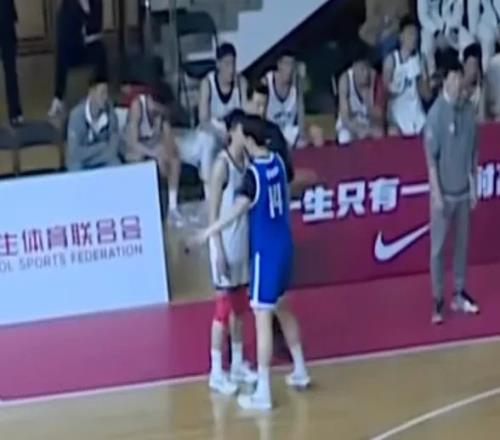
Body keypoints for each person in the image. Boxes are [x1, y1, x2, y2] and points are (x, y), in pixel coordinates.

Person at [192, 115, 310, 410]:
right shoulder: (278, 161)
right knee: (282, 308)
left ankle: (264, 392)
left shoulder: (253, 175)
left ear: (248, 138)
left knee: (262, 318)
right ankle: (300, 369)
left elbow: (236, 210)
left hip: (265, 253)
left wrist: (207, 232)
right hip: (285, 246)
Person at [423, 55, 480, 325]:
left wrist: (474, 185)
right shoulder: (435, 115)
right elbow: (431, 160)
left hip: (463, 192)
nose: (458, 83)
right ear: (445, 81)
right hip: (444, 194)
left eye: (460, 78)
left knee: (461, 245)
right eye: (454, 78)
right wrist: (436, 193)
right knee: (438, 249)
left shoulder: (468, 111)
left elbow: (473, 152)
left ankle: (459, 292)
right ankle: (437, 298)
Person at [206, 110, 257, 395]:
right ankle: (216, 372)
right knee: (223, 311)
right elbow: (212, 214)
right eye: (242, 130)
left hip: (242, 246)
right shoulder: (221, 166)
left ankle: (237, 364)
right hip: (224, 247)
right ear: (232, 131)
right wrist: (218, 251)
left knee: (239, 309)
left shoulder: (246, 162)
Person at [123, 86, 182, 222]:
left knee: (174, 160)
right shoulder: (138, 106)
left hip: (153, 147)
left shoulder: (162, 114)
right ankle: (143, 209)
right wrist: (154, 154)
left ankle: (172, 208)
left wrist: (165, 154)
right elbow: (133, 142)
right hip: (134, 149)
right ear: (150, 100)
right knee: (139, 159)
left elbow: (169, 142)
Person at [49, 0, 108, 119]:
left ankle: (100, 95)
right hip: (73, 48)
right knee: (63, 50)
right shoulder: (67, 5)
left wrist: (86, 33)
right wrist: (85, 34)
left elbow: (96, 27)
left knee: (100, 50)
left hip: (89, 47)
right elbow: (69, 34)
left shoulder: (96, 3)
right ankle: (58, 98)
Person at [383, 16, 429, 136]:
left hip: (416, 112)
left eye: (415, 34)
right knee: (393, 133)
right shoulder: (391, 60)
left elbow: (426, 95)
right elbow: (385, 91)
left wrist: (422, 76)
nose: (413, 38)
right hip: (397, 111)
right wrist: (397, 83)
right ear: (401, 36)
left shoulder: (421, 59)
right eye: (410, 34)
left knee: (429, 132)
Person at [66, 73, 121, 171]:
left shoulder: (111, 113)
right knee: (75, 166)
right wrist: (101, 147)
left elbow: (113, 150)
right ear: (92, 93)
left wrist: (95, 156)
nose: (105, 97)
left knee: (115, 163)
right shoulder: (76, 115)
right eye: (102, 93)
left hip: (102, 159)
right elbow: (75, 153)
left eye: (107, 93)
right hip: (81, 162)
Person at [336, 51, 384, 145]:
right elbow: (345, 117)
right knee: (344, 138)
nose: (365, 73)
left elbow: (379, 116)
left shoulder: (375, 78)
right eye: (362, 69)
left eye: (367, 68)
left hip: (368, 123)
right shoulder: (345, 80)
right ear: (354, 67)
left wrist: (368, 103)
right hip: (349, 124)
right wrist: (359, 130)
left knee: (379, 134)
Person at [418, 0, 474, 75]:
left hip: (450, 25)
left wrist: (455, 29)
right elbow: (423, 16)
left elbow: (458, 9)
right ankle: (431, 75)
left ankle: (464, 75)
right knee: (426, 46)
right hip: (431, 26)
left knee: (469, 43)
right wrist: (436, 33)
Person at [262, 50, 304, 148]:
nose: (289, 68)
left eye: (292, 64)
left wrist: (302, 134)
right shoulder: (266, 82)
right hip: (270, 132)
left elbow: (301, 110)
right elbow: (259, 113)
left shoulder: (297, 84)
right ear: (279, 64)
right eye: (286, 64)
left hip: (289, 132)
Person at [0, 0, 23, 126]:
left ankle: (15, 113)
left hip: (6, 26)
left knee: (11, 73)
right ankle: (15, 113)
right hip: (7, 24)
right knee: (11, 73)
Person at [468, 0, 500, 72]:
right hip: (486, 23)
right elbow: (473, 11)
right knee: (487, 52)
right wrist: (473, 32)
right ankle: (487, 75)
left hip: (497, 22)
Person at [461, 43, 486, 121]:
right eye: (472, 65)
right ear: (464, 65)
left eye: (477, 65)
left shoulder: (482, 88)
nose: (474, 70)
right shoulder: (458, 87)